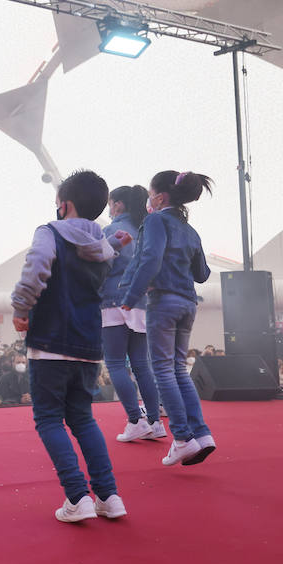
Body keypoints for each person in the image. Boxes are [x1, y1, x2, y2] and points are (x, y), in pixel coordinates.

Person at [12, 169, 128, 523]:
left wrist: (21, 308)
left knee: (49, 418)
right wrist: (116, 248)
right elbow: (99, 274)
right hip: (89, 342)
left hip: (50, 340)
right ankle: (109, 495)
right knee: (82, 418)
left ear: (64, 205)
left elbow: (36, 270)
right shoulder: (103, 245)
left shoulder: (49, 231)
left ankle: (78, 497)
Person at [122, 170, 217, 468]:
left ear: (160, 197)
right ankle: (201, 434)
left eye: (151, 193)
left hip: (163, 300)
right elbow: (203, 274)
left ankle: (182, 439)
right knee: (177, 369)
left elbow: (151, 258)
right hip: (188, 302)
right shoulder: (191, 231)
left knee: (162, 370)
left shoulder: (155, 220)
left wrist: (130, 296)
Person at [99, 185, 165, 443]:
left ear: (118, 205)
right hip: (142, 303)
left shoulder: (113, 231)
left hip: (114, 300)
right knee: (141, 364)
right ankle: (155, 421)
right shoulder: (147, 232)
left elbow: (101, 267)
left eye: (110, 203)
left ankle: (135, 421)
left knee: (115, 363)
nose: (108, 208)